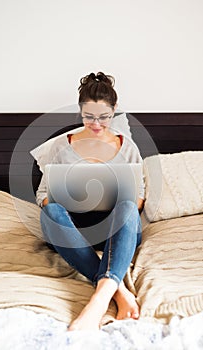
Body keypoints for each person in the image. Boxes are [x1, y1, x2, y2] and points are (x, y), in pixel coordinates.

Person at [36, 72, 145, 331]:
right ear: (80, 112)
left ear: (114, 111)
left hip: (116, 230)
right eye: (89, 117)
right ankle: (116, 289)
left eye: (104, 117)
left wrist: (124, 200)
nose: (96, 125)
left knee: (129, 207)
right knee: (51, 211)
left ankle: (98, 300)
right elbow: (42, 195)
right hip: (73, 230)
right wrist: (60, 197)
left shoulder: (128, 147)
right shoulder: (60, 146)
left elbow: (139, 196)